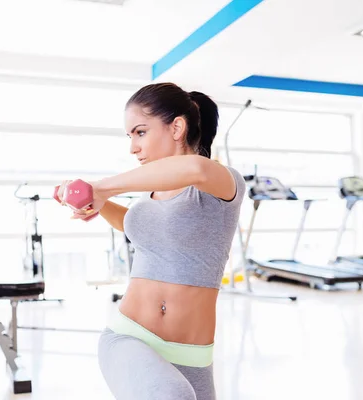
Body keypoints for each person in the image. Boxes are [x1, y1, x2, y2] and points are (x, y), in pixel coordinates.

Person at [56, 82, 246, 400]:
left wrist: (101, 188)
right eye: (130, 136)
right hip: (130, 336)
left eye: (140, 132)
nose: (133, 147)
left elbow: (196, 168)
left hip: (193, 356)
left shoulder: (222, 181)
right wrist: (100, 205)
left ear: (177, 127)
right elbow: (139, 230)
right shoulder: (153, 192)